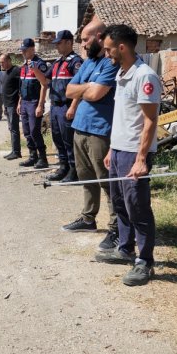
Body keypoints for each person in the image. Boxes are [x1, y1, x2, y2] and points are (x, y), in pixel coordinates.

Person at [95, 24, 162, 286]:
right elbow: (122, 117)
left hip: (135, 153)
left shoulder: (145, 77)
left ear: (122, 47)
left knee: (138, 207)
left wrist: (141, 159)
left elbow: (149, 121)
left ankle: (144, 261)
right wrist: (112, 148)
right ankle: (125, 248)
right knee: (120, 203)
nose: (107, 53)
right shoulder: (122, 74)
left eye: (109, 49)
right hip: (119, 150)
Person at [61, 19, 119, 250]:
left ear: (100, 36)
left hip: (101, 130)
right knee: (86, 178)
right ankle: (88, 218)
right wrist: (88, 86)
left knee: (107, 181)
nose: (83, 45)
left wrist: (86, 88)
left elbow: (97, 94)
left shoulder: (110, 62)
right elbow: (69, 90)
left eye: (86, 39)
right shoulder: (89, 62)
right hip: (81, 127)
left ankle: (116, 228)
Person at [46, 30, 83, 182]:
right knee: (58, 138)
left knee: (68, 140)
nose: (57, 47)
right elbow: (45, 81)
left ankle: (74, 170)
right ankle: (63, 167)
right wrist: (35, 69)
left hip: (66, 106)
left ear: (69, 42)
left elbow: (80, 86)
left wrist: (73, 106)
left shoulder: (76, 62)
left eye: (59, 43)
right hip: (55, 106)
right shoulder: (57, 62)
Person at [17, 38, 50, 169]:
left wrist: (41, 104)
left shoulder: (39, 64)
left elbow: (44, 84)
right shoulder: (24, 66)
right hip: (24, 101)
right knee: (26, 131)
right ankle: (32, 156)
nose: (23, 53)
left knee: (34, 131)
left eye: (25, 50)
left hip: (34, 102)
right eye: (22, 51)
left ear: (32, 49)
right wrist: (19, 103)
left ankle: (43, 158)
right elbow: (22, 86)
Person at [0, 54, 22, 160]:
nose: (1, 64)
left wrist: (19, 103)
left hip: (13, 104)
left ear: (9, 60)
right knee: (11, 128)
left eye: (3, 62)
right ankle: (13, 150)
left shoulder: (16, 70)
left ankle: (17, 152)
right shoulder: (6, 72)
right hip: (7, 105)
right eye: (0, 62)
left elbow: (21, 87)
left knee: (14, 128)